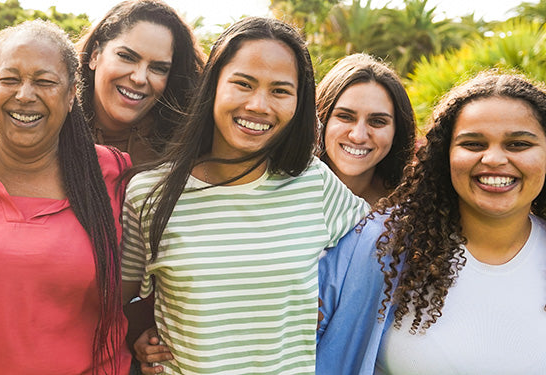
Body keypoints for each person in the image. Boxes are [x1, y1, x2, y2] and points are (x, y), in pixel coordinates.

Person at [119, 17, 368, 374]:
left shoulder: (315, 183)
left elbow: (380, 253)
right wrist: (138, 338)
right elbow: (115, 301)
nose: (258, 105)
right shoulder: (150, 195)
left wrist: (327, 303)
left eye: (280, 91)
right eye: (243, 84)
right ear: (214, 86)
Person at [0, 20, 131, 374]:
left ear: (70, 95)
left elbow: (150, 286)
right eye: (10, 79)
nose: (25, 95)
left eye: (44, 81)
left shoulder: (112, 177)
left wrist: (150, 336)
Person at [318, 72, 546, 374]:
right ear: (444, 155)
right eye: (473, 144)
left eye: (518, 144)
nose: (493, 158)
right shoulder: (382, 246)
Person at [77, 0, 204, 164]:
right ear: (94, 55)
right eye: (127, 57)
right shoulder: (52, 129)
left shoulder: (182, 150)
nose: (139, 78)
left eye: (158, 68)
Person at [315, 54, 416, 204]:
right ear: (320, 118)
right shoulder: (280, 190)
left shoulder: (411, 211)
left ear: (396, 132)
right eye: (345, 117)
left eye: (377, 121)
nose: (358, 136)